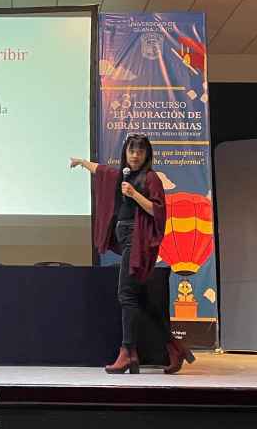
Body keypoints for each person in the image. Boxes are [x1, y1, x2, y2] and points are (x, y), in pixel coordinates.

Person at [70, 133, 195, 374]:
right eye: (131, 151)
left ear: (147, 154)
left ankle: (128, 351)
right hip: (127, 237)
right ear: (125, 153)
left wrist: (135, 195)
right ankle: (175, 347)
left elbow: (158, 211)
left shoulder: (151, 178)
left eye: (140, 151)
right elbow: (103, 171)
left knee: (125, 294)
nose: (135, 155)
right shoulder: (123, 175)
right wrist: (82, 162)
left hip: (139, 241)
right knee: (142, 299)